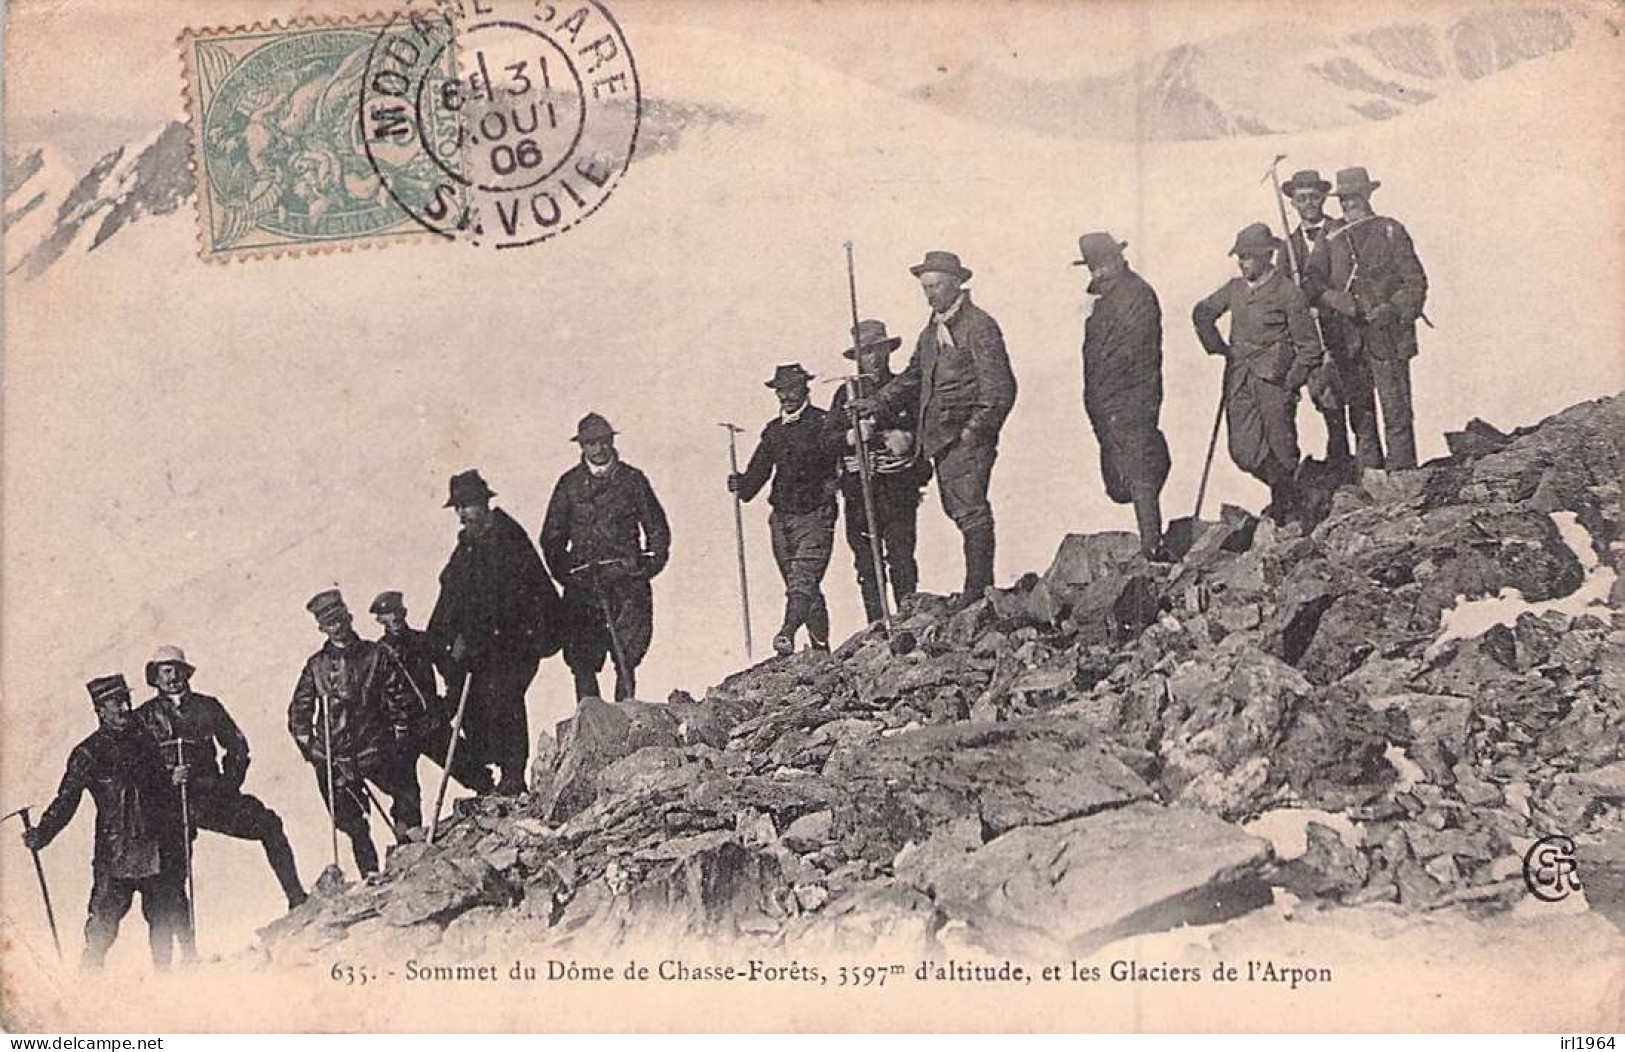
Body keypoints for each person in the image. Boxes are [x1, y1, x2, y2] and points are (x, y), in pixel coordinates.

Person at [870, 250, 1017, 600]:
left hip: (965, 438)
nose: (930, 294)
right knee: (959, 509)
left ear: (955, 283)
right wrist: (875, 402)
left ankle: (978, 590)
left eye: (934, 286)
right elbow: (913, 376)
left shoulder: (978, 326)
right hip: (942, 439)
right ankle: (977, 589)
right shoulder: (932, 330)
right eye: (925, 288)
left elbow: (1001, 389)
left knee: (970, 511)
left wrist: (974, 432)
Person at [25, 674, 189, 971]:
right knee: (102, 925)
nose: (126, 708)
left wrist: (173, 779)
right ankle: (88, 985)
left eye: (127, 701)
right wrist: (42, 833)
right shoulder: (88, 753)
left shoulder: (145, 741)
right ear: (100, 710)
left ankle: (166, 987)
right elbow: (66, 801)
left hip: (155, 848)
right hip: (115, 855)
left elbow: (160, 789)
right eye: (117, 704)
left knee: (161, 921)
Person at [137, 645, 306, 928]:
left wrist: (227, 786)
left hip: (210, 797)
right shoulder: (143, 717)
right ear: (154, 677)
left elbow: (238, 748)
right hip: (169, 806)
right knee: (171, 876)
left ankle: (297, 897)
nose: (173, 677)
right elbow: (137, 767)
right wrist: (167, 780)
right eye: (166, 671)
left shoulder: (208, 706)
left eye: (178, 670)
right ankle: (186, 950)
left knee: (268, 824)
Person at [427, 470, 559, 794]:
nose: (461, 513)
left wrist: (483, 634)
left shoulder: (507, 538)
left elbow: (519, 595)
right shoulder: (467, 545)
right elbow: (450, 592)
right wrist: (439, 637)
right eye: (458, 507)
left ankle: (513, 774)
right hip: (482, 646)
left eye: (467, 505)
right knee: (466, 702)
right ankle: (492, 776)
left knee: (504, 697)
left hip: (516, 641)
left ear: (484, 503)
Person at [1192, 222, 1322, 522]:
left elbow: (1310, 346)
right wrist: (1218, 347)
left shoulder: (1287, 292)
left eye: (1249, 256)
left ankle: (1289, 511)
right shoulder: (1234, 289)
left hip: (1274, 380)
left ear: (1268, 256)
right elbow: (1202, 313)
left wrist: (1291, 382)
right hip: (1239, 378)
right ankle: (1289, 492)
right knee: (1243, 450)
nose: (1243, 262)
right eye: (1240, 256)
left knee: (1283, 447)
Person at [288, 589, 423, 875]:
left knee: (405, 793)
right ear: (322, 628)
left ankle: (410, 855)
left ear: (349, 618)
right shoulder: (316, 666)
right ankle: (370, 874)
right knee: (351, 821)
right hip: (334, 755)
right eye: (329, 622)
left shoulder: (376, 655)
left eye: (340, 619)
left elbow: (400, 696)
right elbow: (299, 713)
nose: (337, 626)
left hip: (375, 746)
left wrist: (399, 734)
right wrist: (315, 752)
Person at [540, 413, 671, 702]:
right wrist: (568, 575)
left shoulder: (633, 480)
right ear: (581, 447)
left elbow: (657, 529)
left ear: (611, 442)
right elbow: (551, 538)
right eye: (590, 444)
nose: (598, 449)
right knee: (581, 658)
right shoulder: (569, 485)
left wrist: (646, 567)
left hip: (626, 582)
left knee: (627, 654)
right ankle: (591, 723)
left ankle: (626, 718)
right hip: (584, 586)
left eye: (602, 442)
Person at [1312, 166, 1429, 471]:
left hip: (1387, 337)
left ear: (1367, 194)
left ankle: (1403, 477)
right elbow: (1313, 283)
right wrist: (1340, 302)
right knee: (1361, 415)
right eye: (1344, 198)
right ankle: (1371, 478)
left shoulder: (1390, 230)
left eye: (1354, 196)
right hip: (1349, 341)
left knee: (1396, 410)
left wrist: (1391, 309)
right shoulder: (1330, 237)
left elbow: (1415, 283)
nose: (1348, 203)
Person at [728, 363, 840, 655]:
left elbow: (839, 458)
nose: (786, 396)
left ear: (805, 388)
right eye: (781, 390)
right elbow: (756, 477)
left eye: (791, 388)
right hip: (781, 518)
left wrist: (834, 482)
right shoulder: (773, 431)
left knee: (803, 577)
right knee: (800, 583)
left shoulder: (823, 422)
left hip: (816, 513)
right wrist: (740, 483)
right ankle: (820, 647)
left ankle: (786, 632)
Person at [1073, 232, 1172, 561]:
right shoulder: (1105, 300)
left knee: (1138, 468)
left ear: (1117, 259)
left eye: (1103, 264)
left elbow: (1134, 351)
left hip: (1132, 396)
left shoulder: (1135, 294)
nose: (1098, 272)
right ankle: (1151, 538)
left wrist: (1117, 395)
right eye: (1093, 267)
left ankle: (1152, 546)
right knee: (1118, 484)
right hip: (1106, 403)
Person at [826, 320, 931, 623]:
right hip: (859, 488)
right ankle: (876, 623)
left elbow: (923, 434)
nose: (871, 358)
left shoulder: (906, 389)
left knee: (901, 554)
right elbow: (826, 440)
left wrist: (901, 439)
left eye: (876, 350)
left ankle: (908, 618)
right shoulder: (844, 395)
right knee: (866, 560)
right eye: (865, 352)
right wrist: (850, 436)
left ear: (887, 351)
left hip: (897, 486)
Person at [1277, 168, 1359, 467]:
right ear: (1294, 203)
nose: (1309, 203)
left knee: (1358, 398)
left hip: (1347, 330)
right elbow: (1282, 289)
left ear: (1324, 198)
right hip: (1313, 335)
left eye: (1314, 197)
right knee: (1326, 398)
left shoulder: (1342, 230)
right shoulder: (1287, 247)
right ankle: (1340, 459)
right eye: (1302, 199)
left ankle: (1369, 462)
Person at [369, 591, 491, 794]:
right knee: (404, 791)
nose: (395, 618)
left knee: (469, 767)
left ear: (405, 612)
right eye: (388, 615)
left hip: (430, 721)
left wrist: (446, 709)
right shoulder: (376, 654)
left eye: (398, 612)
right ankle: (409, 826)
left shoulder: (423, 641)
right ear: (379, 620)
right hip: (401, 731)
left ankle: (493, 800)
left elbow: (452, 673)